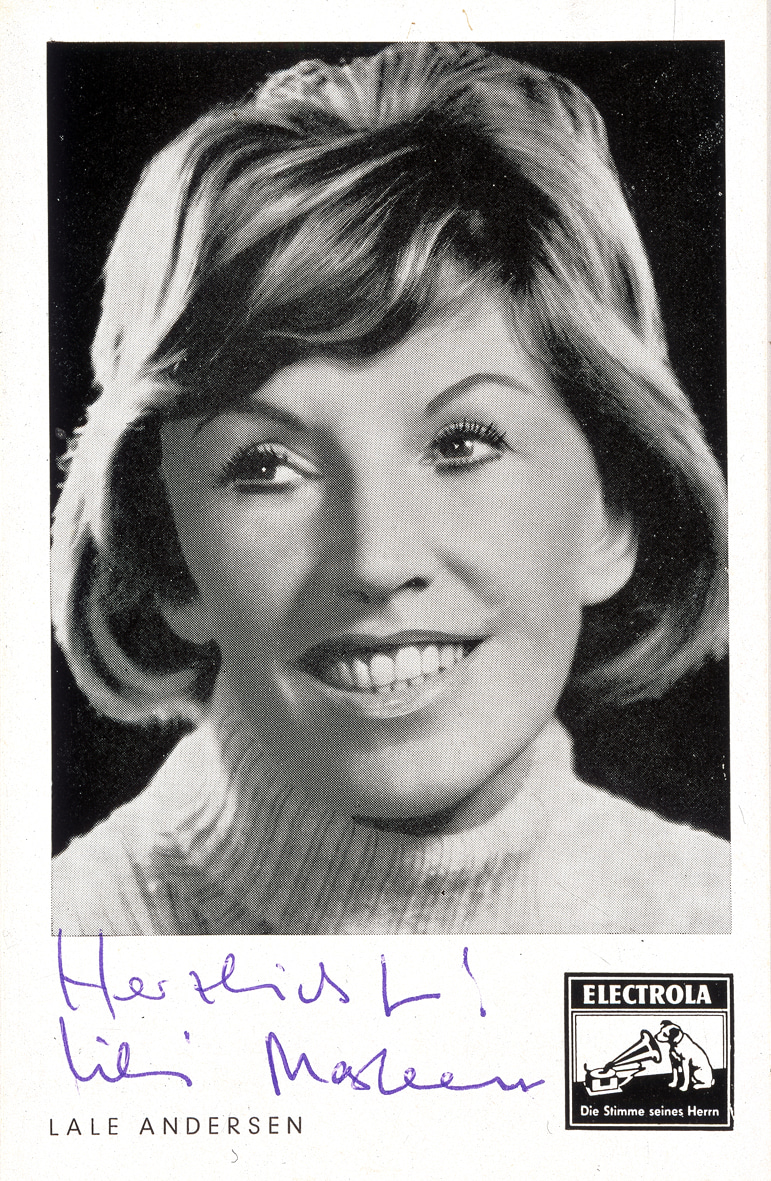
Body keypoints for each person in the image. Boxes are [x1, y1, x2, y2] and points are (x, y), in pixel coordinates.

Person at [51, 42, 729, 935]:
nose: (375, 559)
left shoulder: (718, 922)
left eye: (462, 443)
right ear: (171, 556)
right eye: (265, 465)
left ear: (613, 511)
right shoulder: (52, 943)